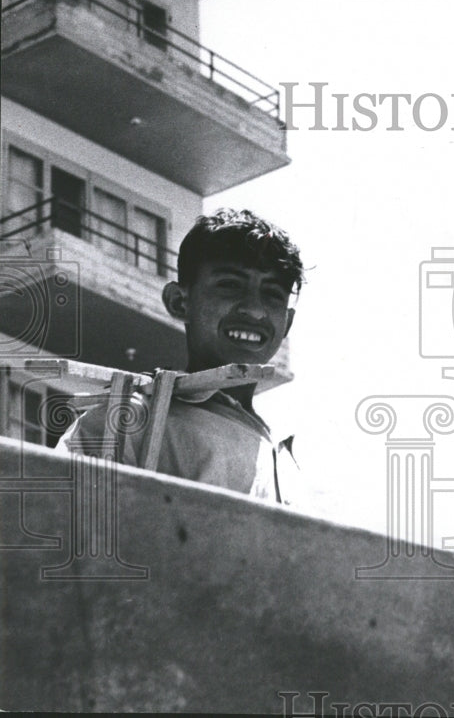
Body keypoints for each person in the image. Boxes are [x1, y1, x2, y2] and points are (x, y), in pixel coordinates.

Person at [57, 208, 304, 506]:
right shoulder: (132, 421)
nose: (254, 309)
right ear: (179, 302)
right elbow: (65, 531)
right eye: (230, 285)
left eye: (272, 294)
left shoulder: (284, 459)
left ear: (287, 323)